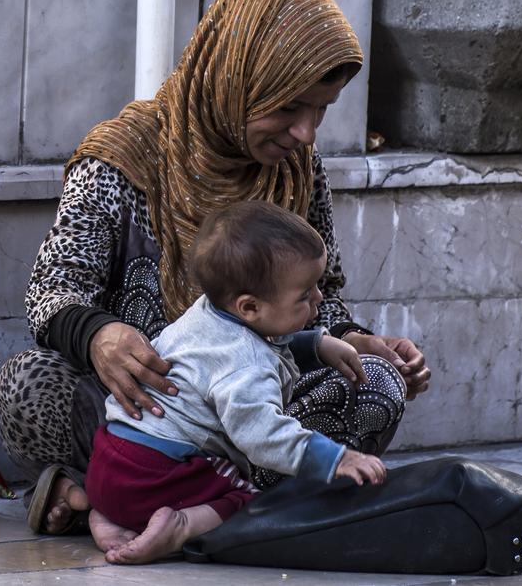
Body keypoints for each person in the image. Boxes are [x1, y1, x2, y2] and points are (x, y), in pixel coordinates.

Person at [0, 0, 430, 537]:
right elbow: (52, 292)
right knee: (28, 384)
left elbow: (317, 299)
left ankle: (104, 500)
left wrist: (352, 340)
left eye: (321, 110)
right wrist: (100, 335)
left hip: (255, 402)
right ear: (235, 78)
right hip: (148, 410)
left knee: (374, 380)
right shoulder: (120, 161)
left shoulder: (297, 171)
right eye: (289, 108)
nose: (306, 133)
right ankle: (218, 502)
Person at [85, 201, 388, 563]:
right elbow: (262, 436)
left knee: (130, 493)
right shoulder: (244, 364)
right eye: (305, 295)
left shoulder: (207, 313)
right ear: (248, 307)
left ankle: (105, 514)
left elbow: (269, 341)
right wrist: (336, 459)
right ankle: (178, 526)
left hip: (108, 464)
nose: (319, 299)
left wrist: (316, 344)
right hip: (156, 474)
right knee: (252, 499)